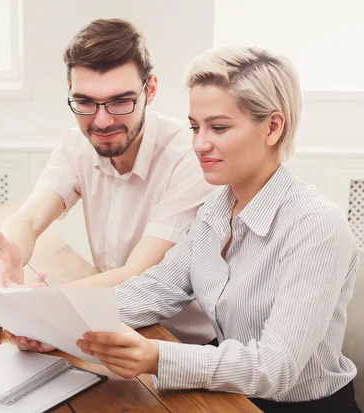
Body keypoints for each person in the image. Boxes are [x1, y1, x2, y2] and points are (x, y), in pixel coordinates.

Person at [72, 47, 361, 412]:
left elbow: (276, 367)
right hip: (229, 395)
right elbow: (155, 288)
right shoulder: (215, 209)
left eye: (218, 127)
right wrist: (59, 320)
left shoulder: (316, 226)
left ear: (273, 126)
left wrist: (160, 357)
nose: (199, 144)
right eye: (195, 127)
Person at [0, 18, 215, 345]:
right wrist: (11, 250)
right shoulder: (77, 144)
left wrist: (19, 306)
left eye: (120, 101)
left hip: (180, 347)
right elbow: (31, 216)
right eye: (84, 102)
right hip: (106, 327)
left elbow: (139, 274)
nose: (101, 120)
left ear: (150, 90)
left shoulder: (189, 159)